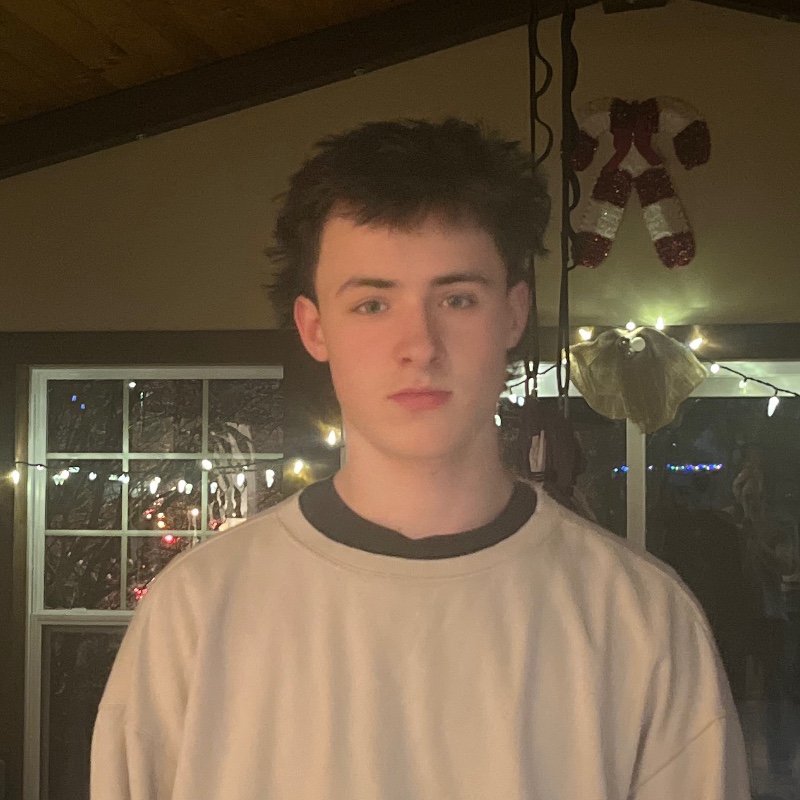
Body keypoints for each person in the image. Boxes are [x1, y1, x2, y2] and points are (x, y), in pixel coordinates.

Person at [91, 118, 749, 799]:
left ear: (513, 314)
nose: (420, 345)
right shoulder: (197, 614)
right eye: (372, 303)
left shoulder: (641, 619)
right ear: (315, 328)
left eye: (457, 299)